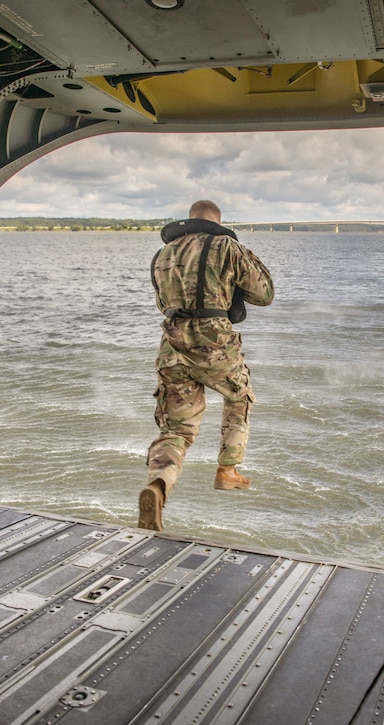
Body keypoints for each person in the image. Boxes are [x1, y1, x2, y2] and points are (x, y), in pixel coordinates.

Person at [140, 200, 274, 531]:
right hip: (214, 340)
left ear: (189, 221)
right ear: (217, 222)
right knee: (238, 395)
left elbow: (162, 303)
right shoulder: (226, 245)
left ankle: (159, 483)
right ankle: (227, 470)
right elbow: (264, 293)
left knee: (176, 430)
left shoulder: (163, 255)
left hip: (172, 345)